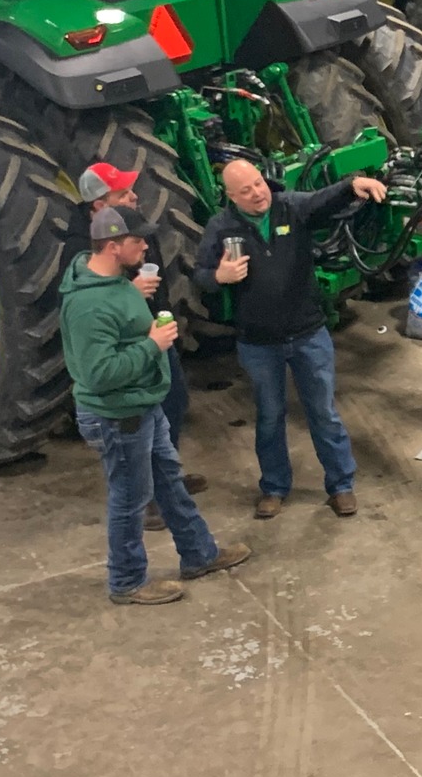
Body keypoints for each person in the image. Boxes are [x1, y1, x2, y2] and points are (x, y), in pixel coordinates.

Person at [61, 205, 250, 605]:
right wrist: (152, 345)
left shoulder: (115, 283)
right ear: (113, 247)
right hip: (118, 415)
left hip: (143, 405)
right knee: (130, 500)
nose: (146, 246)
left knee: (169, 480)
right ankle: (126, 581)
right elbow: (98, 374)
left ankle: (199, 553)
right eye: (137, 241)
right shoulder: (88, 306)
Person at [194, 160, 388, 519]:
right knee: (269, 417)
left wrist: (351, 184)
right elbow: (200, 276)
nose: (257, 193)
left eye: (258, 183)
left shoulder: (290, 208)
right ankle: (274, 487)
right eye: (246, 190)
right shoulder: (221, 228)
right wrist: (218, 275)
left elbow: (321, 199)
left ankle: (341, 485)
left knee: (324, 413)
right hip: (258, 342)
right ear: (231, 196)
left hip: (307, 334)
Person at [75, 162, 207, 528]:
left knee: (174, 403)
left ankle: (167, 480)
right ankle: (147, 499)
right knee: (143, 421)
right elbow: (88, 308)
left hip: (156, 334)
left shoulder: (134, 228)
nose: (135, 196)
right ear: (100, 206)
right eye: (123, 193)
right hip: (130, 349)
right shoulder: (87, 249)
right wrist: (128, 294)